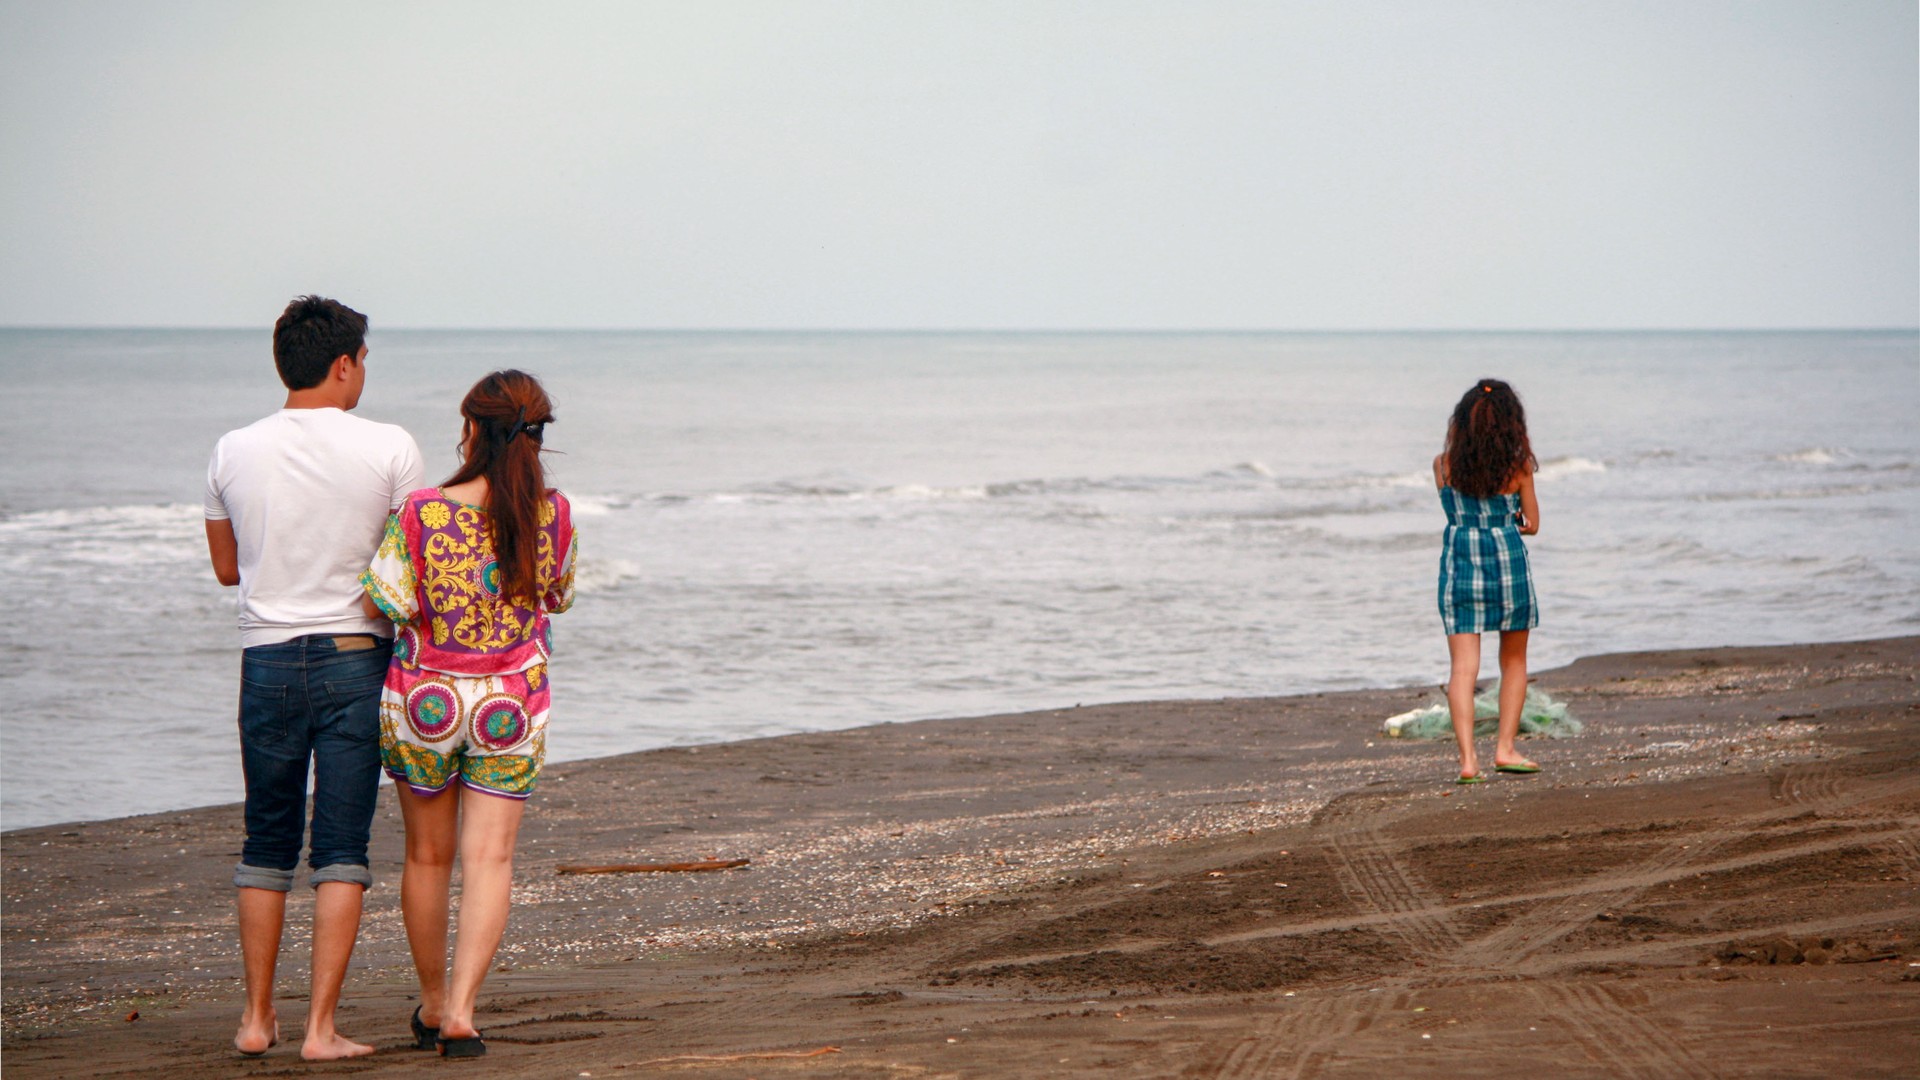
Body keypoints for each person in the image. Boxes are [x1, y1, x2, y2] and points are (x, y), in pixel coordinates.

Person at [204, 296, 424, 1059]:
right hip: (355, 656)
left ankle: (256, 1019)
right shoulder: (391, 447)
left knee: (265, 840)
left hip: (265, 658)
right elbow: (406, 568)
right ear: (342, 364)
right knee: (340, 846)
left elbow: (228, 568)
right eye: (362, 360)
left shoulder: (231, 449)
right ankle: (320, 1029)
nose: (363, 372)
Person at [359, 369, 576, 1058]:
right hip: (511, 705)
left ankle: (430, 1002)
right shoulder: (554, 513)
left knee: (427, 857)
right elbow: (558, 595)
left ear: (472, 428)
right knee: (490, 859)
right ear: (536, 434)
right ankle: (461, 1013)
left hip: (427, 702)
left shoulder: (423, 511)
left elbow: (384, 601)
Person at [1432, 378, 1541, 785]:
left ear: (1462, 422)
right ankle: (1505, 749)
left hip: (1460, 567)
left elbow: (1455, 512)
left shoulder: (1443, 465)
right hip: (1507, 567)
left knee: (1463, 668)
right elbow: (1532, 524)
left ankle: (1468, 761)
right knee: (1513, 662)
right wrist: (1509, 520)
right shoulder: (1519, 468)